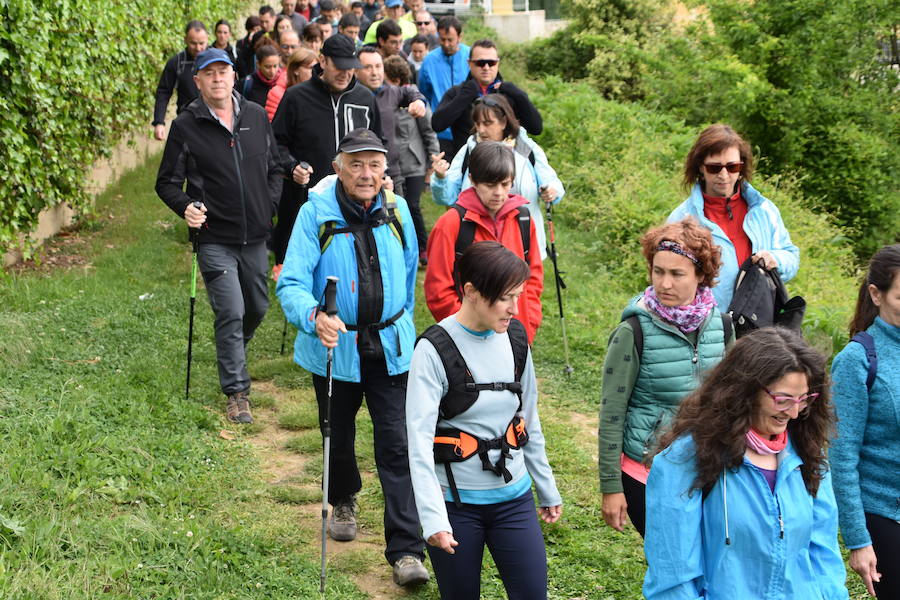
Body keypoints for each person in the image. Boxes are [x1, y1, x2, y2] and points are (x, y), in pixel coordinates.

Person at [276, 128, 428, 587]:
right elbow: (292, 282)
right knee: (336, 436)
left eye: (374, 164)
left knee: (396, 445)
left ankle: (406, 551)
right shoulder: (314, 215)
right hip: (334, 350)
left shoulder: (397, 210)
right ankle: (343, 497)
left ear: (385, 170)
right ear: (338, 167)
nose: (366, 173)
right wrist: (313, 316)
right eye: (356, 164)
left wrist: (398, 320)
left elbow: (407, 271)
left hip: (389, 348)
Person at [643, 327, 849, 599]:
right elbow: (673, 577)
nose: (795, 411)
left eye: (803, 399)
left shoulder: (807, 455)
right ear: (745, 390)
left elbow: (824, 557)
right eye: (782, 399)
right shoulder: (686, 458)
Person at [407, 240, 562, 600]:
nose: (514, 308)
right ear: (471, 292)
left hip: (514, 498)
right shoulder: (433, 351)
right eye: (506, 298)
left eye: (518, 296)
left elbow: (528, 418)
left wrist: (545, 485)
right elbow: (417, 443)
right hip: (456, 505)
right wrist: (433, 519)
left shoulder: (516, 339)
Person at [155, 49, 283, 424]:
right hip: (214, 238)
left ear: (233, 75)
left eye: (223, 71)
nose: (217, 79)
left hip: (257, 235)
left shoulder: (257, 117)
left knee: (257, 308)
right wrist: (186, 207)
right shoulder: (186, 126)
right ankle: (237, 392)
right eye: (208, 73)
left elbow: (274, 167)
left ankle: (233, 353)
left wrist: (269, 205)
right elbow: (166, 183)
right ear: (197, 81)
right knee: (230, 310)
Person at [598, 219, 732, 538]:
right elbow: (611, 412)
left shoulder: (723, 328)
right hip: (647, 473)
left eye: (677, 274)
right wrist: (611, 487)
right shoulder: (633, 332)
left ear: (702, 276)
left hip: (705, 470)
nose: (664, 284)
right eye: (658, 271)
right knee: (673, 568)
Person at [271, 32, 383, 276]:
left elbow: (380, 144)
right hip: (305, 198)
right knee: (306, 265)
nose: (345, 73)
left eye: (351, 67)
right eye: (339, 66)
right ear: (322, 61)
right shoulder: (296, 97)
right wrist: (292, 167)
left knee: (348, 266)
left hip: (354, 199)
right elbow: (275, 143)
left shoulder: (365, 99)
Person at [830, 244, 900, 599]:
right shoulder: (857, 360)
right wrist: (858, 540)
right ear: (876, 294)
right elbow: (841, 458)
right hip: (886, 515)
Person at [668, 123, 799, 311]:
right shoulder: (682, 219)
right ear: (700, 168)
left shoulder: (763, 210)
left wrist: (776, 259)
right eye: (714, 168)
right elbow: (667, 279)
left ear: (741, 168)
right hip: (708, 327)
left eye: (732, 167)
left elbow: (791, 256)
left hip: (759, 324)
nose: (724, 175)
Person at [425, 142, 543, 343]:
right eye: (490, 185)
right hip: (467, 339)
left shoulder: (523, 219)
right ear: (472, 180)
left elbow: (533, 279)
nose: (498, 192)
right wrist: (464, 333)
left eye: (505, 184)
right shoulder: (451, 224)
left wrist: (527, 326)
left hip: (515, 335)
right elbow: (438, 288)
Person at [430, 94, 563, 261]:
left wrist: (552, 191)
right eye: (477, 124)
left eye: (487, 123)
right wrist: (441, 178)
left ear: (504, 122)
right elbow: (446, 197)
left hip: (522, 244)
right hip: (478, 243)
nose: (481, 130)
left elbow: (551, 181)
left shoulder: (527, 149)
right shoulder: (469, 151)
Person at [432, 38, 542, 156]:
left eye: (491, 63)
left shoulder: (510, 94)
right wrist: (466, 95)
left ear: (498, 63)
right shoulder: (457, 93)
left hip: (507, 165)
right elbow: (438, 124)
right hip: (469, 163)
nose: (486, 67)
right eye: (480, 63)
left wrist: (518, 95)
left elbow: (536, 128)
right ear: (469, 63)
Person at [384, 56, 436, 265]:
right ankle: (401, 247)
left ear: (396, 81)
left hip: (414, 163)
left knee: (412, 205)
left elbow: (429, 132)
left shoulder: (414, 100)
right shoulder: (383, 101)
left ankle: (422, 247)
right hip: (392, 165)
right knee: (395, 206)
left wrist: (432, 162)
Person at [355, 47, 426, 197]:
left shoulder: (390, 92)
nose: (374, 73)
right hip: (359, 174)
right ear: (356, 71)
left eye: (378, 66)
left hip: (391, 172)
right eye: (367, 67)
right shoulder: (350, 97)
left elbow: (410, 91)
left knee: (398, 217)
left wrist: (418, 102)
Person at [417, 16, 469, 157]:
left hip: (468, 131)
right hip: (441, 133)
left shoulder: (470, 57)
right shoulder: (429, 60)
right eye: (442, 39)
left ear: (460, 37)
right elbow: (424, 92)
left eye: (450, 40)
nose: (446, 44)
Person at [152, 21, 209, 141]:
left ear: (207, 39)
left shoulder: (217, 62)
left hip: (214, 121)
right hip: (187, 122)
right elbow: (164, 92)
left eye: (201, 43)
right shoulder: (176, 63)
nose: (198, 48)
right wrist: (159, 122)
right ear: (185, 40)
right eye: (193, 43)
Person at [265, 47, 317, 121]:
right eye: (310, 68)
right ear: (296, 69)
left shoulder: (320, 92)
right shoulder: (278, 94)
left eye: (317, 68)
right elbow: (274, 127)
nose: (315, 72)